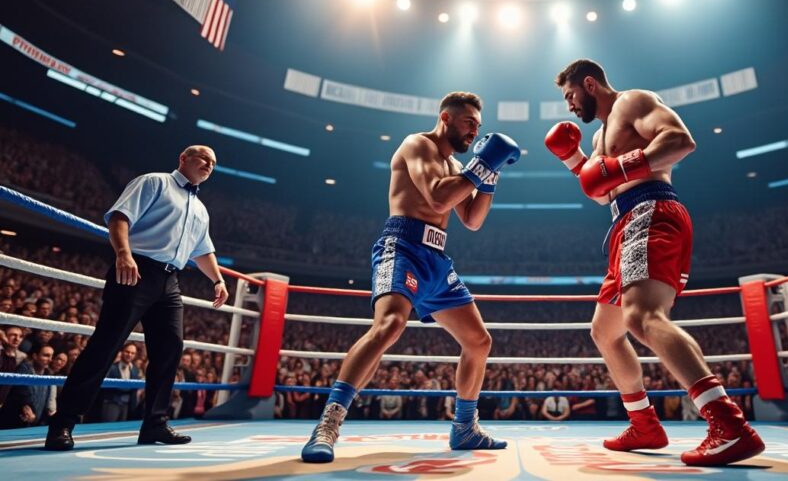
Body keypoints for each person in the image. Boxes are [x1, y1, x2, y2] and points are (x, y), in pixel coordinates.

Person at [547, 59, 763, 466]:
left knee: (643, 317)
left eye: (571, 96)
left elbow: (681, 141)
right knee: (605, 331)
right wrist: (573, 159)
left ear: (589, 84)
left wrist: (620, 165)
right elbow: (601, 192)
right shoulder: (598, 140)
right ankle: (644, 423)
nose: (570, 107)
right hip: (624, 222)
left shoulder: (633, 102)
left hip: (651, 211)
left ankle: (728, 424)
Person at [301, 92, 520, 463]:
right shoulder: (417, 144)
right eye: (469, 123)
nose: (474, 132)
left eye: (478, 127)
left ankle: (465, 427)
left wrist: (489, 174)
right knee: (389, 325)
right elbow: (436, 199)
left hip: (436, 258)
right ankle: (328, 423)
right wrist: (479, 166)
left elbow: (472, 220)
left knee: (479, 341)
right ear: (446, 118)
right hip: (401, 246)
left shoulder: (455, 168)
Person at [45, 146, 229, 451]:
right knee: (105, 346)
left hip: (170, 280)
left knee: (170, 348)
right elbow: (119, 218)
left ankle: (154, 424)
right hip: (136, 268)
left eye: (214, 163)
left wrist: (218, 279)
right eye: (204, 159)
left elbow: (203, 251)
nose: (209, 165)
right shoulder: (154, 182)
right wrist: (123, 254)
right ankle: (62, 422)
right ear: (183, 158)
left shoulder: (201, 208)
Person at [101, 343, 142, 422]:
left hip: (126, 406)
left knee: (121, 429)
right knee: (108, 429)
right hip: (111, 403)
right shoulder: (111, 368)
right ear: (122, 352)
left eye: (132, 353)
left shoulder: (135, 370)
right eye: (127, 352)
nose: (129, 355)